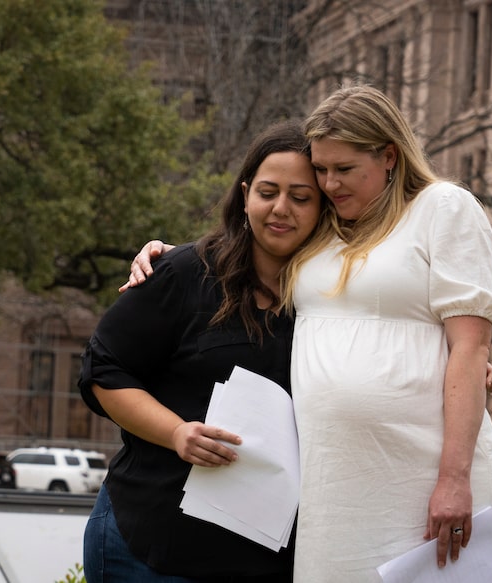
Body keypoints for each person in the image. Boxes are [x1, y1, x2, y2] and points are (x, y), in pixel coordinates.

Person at [125, 84, 492, 581]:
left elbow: (471, 345)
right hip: (335, 483)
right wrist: (169, 255)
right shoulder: (329, 223)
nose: (328, 183)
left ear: (389, 156)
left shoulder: (444, 208)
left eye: (344, 169)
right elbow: (257, 253)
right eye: (322, 169)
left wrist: (454, 480)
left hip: (424, 472)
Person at [78, 120, 326, 582]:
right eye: (268, 192)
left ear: (323, 207)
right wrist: (176, 433)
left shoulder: (334, 299)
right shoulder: (185, 273)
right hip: (149, 544)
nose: (281, 209)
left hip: (263, 560)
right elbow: (103, 369)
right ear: (246, 194)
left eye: (301, 196)